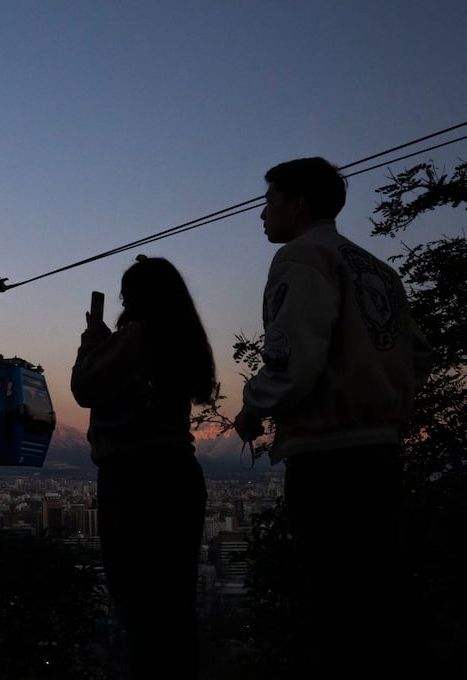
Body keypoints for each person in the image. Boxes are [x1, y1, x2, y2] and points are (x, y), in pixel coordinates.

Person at [234, 157, 432, 678]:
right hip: (382, 455)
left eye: (270, 201)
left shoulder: (303, 258)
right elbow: (420, 355)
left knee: (332, 609)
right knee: (376, 606)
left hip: (329, 460)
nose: (261, 214)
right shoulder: (376, 269)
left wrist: (254, 407)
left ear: (299, 205)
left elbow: (291, 358)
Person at [71, 255, 215, 679]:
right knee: (174, 606)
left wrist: (92, 338)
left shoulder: (137, 336)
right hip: (178, 476)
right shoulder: (184, 339)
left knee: (138, 607)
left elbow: (84, 385)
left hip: (134, 481)